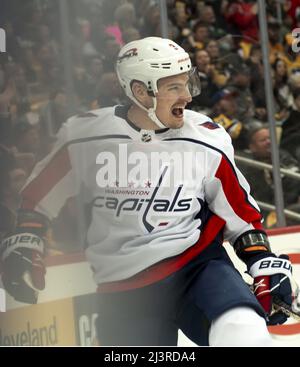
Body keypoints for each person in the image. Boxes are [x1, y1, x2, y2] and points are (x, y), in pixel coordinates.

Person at [0, 37, 298, 346]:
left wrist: (262, 261)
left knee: (244, 331)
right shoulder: (85, 137)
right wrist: (27, 237)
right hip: (124, 287)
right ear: (140, 91)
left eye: (187, 83)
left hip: (197, 267)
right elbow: (38, 196)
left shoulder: (206, 138)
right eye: (173, 88)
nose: (188, 96)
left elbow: (240, 213)